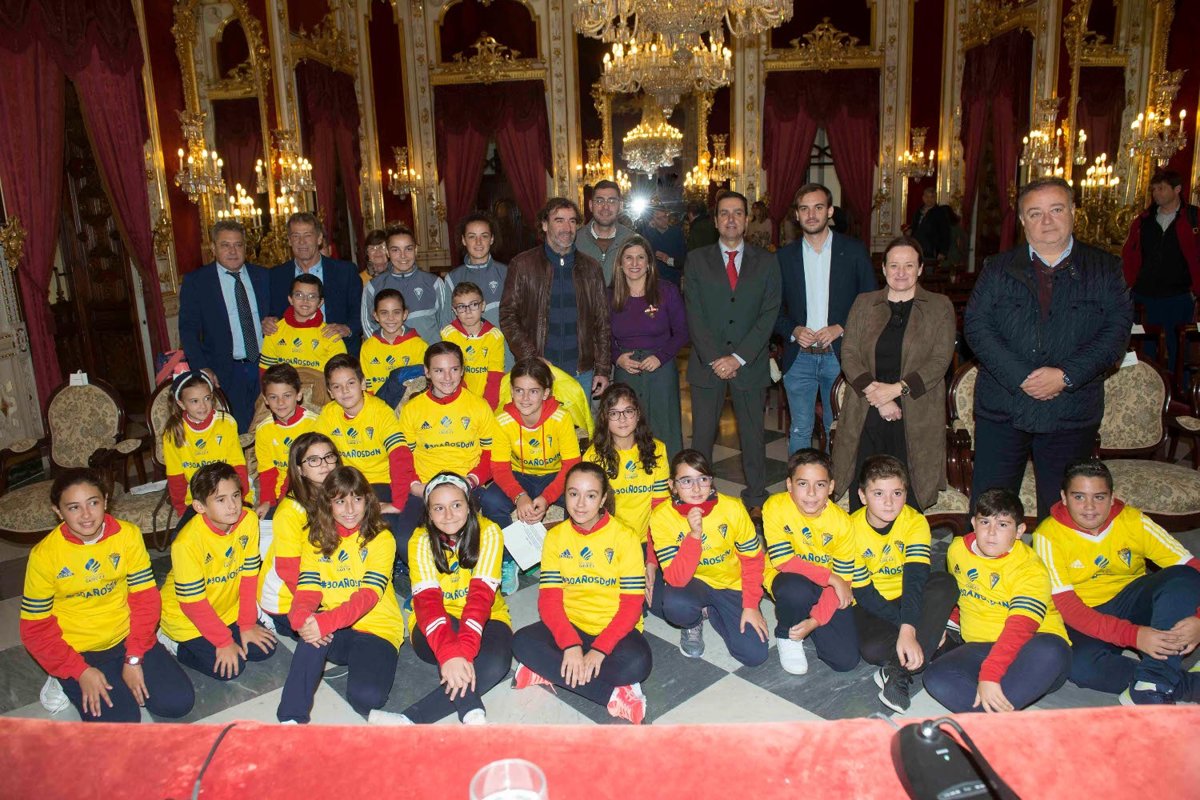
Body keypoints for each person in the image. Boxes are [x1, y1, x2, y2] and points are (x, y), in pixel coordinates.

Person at [965, 177, 1132, 520]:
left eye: (1056, 210)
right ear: (1022, 221)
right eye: (1035, 213)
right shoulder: (997, 268)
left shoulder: (1105, 268)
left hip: (1071, 410)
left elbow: (1115, 334)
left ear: (1073, 212)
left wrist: (1065, 376)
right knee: (990, 509)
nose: (1047, 221)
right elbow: (976, 328)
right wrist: (1020, 376)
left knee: (1062, 514)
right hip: (1004, 408)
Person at [20, 469, 194, 722]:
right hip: (78, 649)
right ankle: (60, 675)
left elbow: (145, 600)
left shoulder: (128, 535)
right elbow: (35, 629)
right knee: (123, 722)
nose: (86, 515)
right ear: (58, 511)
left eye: (93, 503)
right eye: (74, 507)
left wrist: (134, 658)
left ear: (105, 500)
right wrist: (80, 671)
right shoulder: (44, 555)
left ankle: (122, 669)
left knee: (177, 702)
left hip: (127, 636)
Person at [1033, 459, 1200, 704]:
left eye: (1099, 497)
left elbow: (1193, 567)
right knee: (1079, 667)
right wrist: (1134, 636)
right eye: (1079, 497)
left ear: (1112, 498)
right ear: (1064, 498)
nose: (1089, 507)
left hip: (1133, 599)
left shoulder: (1133, 521)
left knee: (1183, 577)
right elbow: (1068, 608)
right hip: (1086, 612)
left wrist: (1198, 620)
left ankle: (1153, 681)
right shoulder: (1047, 536)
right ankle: (1180, 684)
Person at [510, 463, 652, 724]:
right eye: (574, 493)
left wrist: (599, 650)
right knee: (520, 642)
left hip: (613, 628)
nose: (580, 504)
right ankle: (613, 696)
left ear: (603, 499)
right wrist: (571, 644)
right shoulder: (556, 537)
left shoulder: (625, 537)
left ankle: (547, 669)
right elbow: (549, 601)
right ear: (565, 495)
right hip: (570, 623)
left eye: (591, 495)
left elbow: (632, 606)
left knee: (638, 664)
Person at [371, 473, 513, 725]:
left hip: (488, 616)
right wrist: (450, 653)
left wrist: (461, 653)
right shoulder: (420, 540)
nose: (448, 515)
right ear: (428, 513)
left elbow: (480, 599)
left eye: (456, 505)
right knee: (458, 648)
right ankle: (470, 710)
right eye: (438, 508)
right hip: (432, 622)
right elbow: (428, 603)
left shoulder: (489, 532)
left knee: (495, 665)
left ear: (469, 505)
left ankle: (409, 720)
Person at [832, 236, 956, 511]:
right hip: (866, 404)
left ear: (920, 269)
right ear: (884, 268)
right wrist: (877, 395)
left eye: (909, 265)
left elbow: (939, 361)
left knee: (908, 485)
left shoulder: (939, 306)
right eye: (894, 265)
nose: (901, 272)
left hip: (915, 407)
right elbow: (849, 353)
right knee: (865, 480)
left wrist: (895, 390)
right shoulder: (864, 303)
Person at [924, 487, 1072, 713]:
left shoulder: (1031, 570)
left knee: (1051, 650)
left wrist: (990, 675)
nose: (991, 533)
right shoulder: (957, 551)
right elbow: (963, 594)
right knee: (935, 677)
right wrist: (946, 624)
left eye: (1002, 525)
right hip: (981, 647)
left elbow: (1021, 628)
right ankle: (998, 716)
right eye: (985, 522)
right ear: (973, 523)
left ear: (1019, 530)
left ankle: (991, 712)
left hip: (1030, 647)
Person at [277, 466, 405, 723]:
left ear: (367, 500)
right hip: (337, 629)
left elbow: (368, 596)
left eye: (356, 499)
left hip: (377, 628)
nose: (349, 509)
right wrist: (301, 619)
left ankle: (364, 662)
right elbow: (308, 588)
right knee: (311, 634)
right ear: (328, 504)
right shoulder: (314, 537)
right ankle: (291, 718)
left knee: (366, 699)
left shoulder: (381, 538)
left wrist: (324, 622)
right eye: (340, 501)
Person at [684, 190, 781, 522]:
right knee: (702, 436)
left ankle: (756, 496)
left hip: (749, 364)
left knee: (753, 436)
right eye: (724, 213)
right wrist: (716, 358)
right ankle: (698, 495)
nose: (731, 219)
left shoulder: (766, 261)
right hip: (706, 364)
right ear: (715, 221)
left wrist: (738, 357)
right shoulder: (697, 260)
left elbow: (769, 313)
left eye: (737, 213)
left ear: (747, 219)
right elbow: (694, 313)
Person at [845, 455, 957, 712]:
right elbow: (864, 593)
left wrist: (908, 630)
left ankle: (897, 672)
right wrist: (910, 629)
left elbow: (916, 580)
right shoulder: (848, 529)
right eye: (878, 493)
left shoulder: (915, 521)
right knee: (871, 650)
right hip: (870, 603)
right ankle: (937, 639)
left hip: (908, 594)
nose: (889, 502)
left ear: (905, 494)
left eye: (897, 493)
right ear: (862, 496)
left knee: (945, 583)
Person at [775, 183, 877, 455]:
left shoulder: (854, 251)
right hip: (799, 357)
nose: (811, 215)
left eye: (818, 207)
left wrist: (841, 327)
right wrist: (794, 330)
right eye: (804, 208)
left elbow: (871, 302)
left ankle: (837, 482)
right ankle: (800, 482)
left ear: (830, 211)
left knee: (839, 429)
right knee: (800, 429)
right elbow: (772, 309)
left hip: (840, 356)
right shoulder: (784, 257)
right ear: (796, 214)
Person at [648, 450, 769, 665]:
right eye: (686, 481)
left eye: (702, 479)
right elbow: (676, 579)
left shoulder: (732, 508)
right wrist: (694, 536)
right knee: (674, 605)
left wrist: (751, 605)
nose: (696, 488)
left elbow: (753, 561)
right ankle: (693, 622)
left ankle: (713, 611)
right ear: (672, 485)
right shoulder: (661, 517)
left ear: (711, 481)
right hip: (692, 584)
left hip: (732, 585)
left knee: (754, 655)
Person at [159, 463, 277, 680]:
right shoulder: (186, 543)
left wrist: (247, 624)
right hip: (186, 617)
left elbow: (249, 577)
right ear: (199, 506)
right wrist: (224, 641)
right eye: (220, 500)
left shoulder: (249, 520)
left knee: (263, 650)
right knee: (232, 668)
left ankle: (226, 633)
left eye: (235, 496)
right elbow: (192, 603)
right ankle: (173, 642)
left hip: (226, 608)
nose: (232, 506)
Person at [392, 342, 502, 562]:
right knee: (403, 542)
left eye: (454, 369)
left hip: (466, 486)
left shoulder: (478, 406)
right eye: (439, 370)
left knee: (469, 544)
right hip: (425, 487)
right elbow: (402, 458)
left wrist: (470, 481)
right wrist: (415, 485)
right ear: (427, 372)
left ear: (462, 371)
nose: (447, 377)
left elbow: (491, 453)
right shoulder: (412, 409)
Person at [482, 359, 581, 592]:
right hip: (520, 475)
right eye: (519, 391)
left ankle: (571, 557)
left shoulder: (561, 418)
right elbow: (500, 468)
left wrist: (547, 497)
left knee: (579, 496)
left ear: (546, 393)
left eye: (533, 391)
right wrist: (519, 496)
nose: (525, 398)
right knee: (490, 500)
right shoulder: (502, 421)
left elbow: (571, 465)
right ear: (511, 391)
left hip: (556, 475)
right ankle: (508, 560)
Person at [500, 197, 612, 401]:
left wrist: (603, 369)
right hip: (538, 372)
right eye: (559, 220)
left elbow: (602, 322)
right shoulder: (522, 265)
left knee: (579, 423)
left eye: (572, 221)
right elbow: (508, 316)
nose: (567, 228)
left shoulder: (591, 268)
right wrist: (532, 358)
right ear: (544, 225)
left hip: (582, 373)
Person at [762, 449, 857, 676]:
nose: (811, 493)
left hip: (826, 589)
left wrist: (814, 621)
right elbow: (784, 561)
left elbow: (844, 580)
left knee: (845, 660)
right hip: (789, 579)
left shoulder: (843, 523)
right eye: (802, 484)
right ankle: (787, 634)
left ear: (831, 487)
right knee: (795, 590)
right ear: (789, 485)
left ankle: (805, 617)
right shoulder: (775, 506)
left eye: (820, 485)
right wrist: (832, 578)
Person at [179, 219, 270, 432]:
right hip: (224, 371)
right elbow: (188, 329)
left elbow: (277, 313)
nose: (232, 251)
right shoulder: (197, 282)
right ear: (213, 248)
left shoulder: (263, 276)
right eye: (225, 245)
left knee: (267, 426)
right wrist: (202, 367)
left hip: (264, 365)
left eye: (238, 245)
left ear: (246, 247)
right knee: (234, 430)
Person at [609, 235, 688, 458]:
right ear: (620, 263)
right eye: (629, 258)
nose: (634, 263)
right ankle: (630, 474)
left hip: (661, 367)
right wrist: (617, 357)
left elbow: (682, 332)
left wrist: (660, 357)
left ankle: (669, 472)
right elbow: (602, 336)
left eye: (640, 257)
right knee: (627, 425)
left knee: (665, 426)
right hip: (627, 370)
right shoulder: (609, 295)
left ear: (649, 263)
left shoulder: (667, 291)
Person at [258, 432, 341, 638]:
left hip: (321, 579)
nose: (324, 465)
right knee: (329, 636)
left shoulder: (337, 496)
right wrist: (315, 605)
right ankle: (264, 617)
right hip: (285, 598)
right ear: (299, 469)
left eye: (329, 457)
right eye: (313, 460)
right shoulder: (290, 511)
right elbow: (289, 570)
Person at [316, 354, 405, 534]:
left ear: (363, 383)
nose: (345, 391)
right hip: (345, 484)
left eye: (351, 383)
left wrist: (398, 503)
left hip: (380, 482)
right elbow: (312, 451)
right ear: (330, 392)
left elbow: (400, 456)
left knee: (380, 528)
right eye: (337, 387)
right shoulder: (328, 414)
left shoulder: (381, 412)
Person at [1121, 169, 1200, 371]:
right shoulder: (1143, 220)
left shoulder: (1193, 218)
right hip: (1144, 293)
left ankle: (1177, 387)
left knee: (1177, 348)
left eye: (1161, 188)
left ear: (1177, 189)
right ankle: (1144, 385)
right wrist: (1128, 285)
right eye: (1154, 189)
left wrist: (1195, 290)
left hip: (1178, 295)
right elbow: (1130, 255)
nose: (1156, 193)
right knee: (1142, 347)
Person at [583, 385, 669, 569]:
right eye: (614, 413)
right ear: (605, 417)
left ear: (638, 414)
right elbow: (592, 512)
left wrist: (652, 559)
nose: (622, 419)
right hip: (611, 541)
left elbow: (660, 507)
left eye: (628, 411)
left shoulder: (657, 450)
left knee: (659, 587)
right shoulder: (592, 457)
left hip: (649, 541)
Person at [163, 371, 251, 532]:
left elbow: (238, 467)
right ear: (181, 403)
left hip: (228, 497)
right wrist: (182, 510)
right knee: (181, 538)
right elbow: (176, 477)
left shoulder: (226, 423)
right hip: (198, 502)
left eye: (207, 398)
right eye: (194, 401)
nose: (203, 406)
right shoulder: (173, 432)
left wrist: (243, 499)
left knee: (241, 533)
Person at [266, 212, 362, 358]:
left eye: (307, 235)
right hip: (293, 357)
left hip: (339, 354)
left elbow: (360, 311)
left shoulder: (345, 271)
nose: (301, 242)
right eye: (296, 236)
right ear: (289, 240)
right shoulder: (276, 275)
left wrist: (347, 329)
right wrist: (269, 321)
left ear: (319, 238)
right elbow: (273, 313)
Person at [361, 224, 450, 345]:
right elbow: (368, 327)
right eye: (395, 250)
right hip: (391, 355)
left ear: (415, 250)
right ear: (387, 252)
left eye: (408, 249)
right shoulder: (373, 287)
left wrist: (440, 352)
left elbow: (446, 324)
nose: (403, 256)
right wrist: (385, 351)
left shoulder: (434, 283)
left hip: (430, 353)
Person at [254, 364, 319, 514]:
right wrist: (267, 501)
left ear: (299, 395)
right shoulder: (263, 429)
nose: (280, 402)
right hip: (279, 495)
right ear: (265, 400)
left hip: (310, 489)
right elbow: (267, 471)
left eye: (287, 395)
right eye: (273, 397)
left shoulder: (314, 424)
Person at [258, 274, 346, 374]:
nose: (305, 300)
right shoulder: (274, 330)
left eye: (312, 296)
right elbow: (265, 372)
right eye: (299, 295)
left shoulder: (330, 334)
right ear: (290, 299)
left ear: (320, 302)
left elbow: (341, 374)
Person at [441, 281, 506, 409]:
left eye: (474, 304)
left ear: (483, 306)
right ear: (454, 310)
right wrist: (466, 402)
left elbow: (495, 375)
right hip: (459, 398)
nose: (468, 311)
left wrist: (487, 407)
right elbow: (452, 373)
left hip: (488, 399)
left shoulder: (495, 336)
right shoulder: (448, 334)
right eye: (461, 307)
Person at [360, 289, 428, 398]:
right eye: (384, 313)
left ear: (404, 314)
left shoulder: (419, 346)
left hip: (410, 405)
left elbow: (421, 384)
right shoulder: (368, 347)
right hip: (378, 405)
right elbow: (368, 384)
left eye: (396, 312)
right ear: (376, 316)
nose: (390, 318)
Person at [445, 212, 509, 328]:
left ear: (492, 239)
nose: (478, 242)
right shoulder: (452, 279)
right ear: (463, 240)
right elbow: (448, 323)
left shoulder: (508, 273)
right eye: (472, 236)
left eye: (484, 236)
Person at [575, 180, 636, 286]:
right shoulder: (575, 241)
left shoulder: (632, 241)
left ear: (620, 206)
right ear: (590, 205)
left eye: (611, 201)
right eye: (599, 201)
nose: (605, 207)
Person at [640, 205, 687, 286]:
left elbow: (683, 258)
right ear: (652, 220)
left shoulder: (676, 232)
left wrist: (669, 260)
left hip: (673, 278)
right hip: (654, 279)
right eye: (659, 218)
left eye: (665, 216)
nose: (663, 220)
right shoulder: (647, 234)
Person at [908, 186, 952, 262]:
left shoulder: (940, 213)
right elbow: (914, 227)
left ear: (935, 198)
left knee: (929, 269)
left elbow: (945, 233)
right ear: (923, 198)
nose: (929, 199)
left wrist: (943, 252)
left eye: (932, 197)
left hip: (931, 251)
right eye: (927, 197)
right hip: (916, 249)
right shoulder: (918, 211)